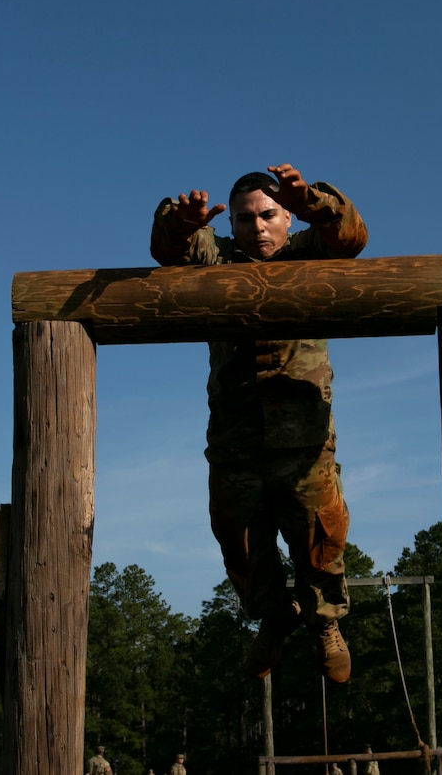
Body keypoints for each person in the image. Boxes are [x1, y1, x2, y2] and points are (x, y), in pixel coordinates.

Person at [151, 164, 368, 683]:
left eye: (269, 215)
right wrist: (180, 222)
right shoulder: (218, 259)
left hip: (305, 438)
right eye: (246, 219)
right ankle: (275, 618)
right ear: (234, 226)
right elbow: (169, 249)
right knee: (239, 539)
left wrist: (314, 198)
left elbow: (351, 237)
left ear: (288, 218)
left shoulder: (307, 253)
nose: (258, 227)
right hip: (235, 436)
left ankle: (323, 623)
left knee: (320, 538)